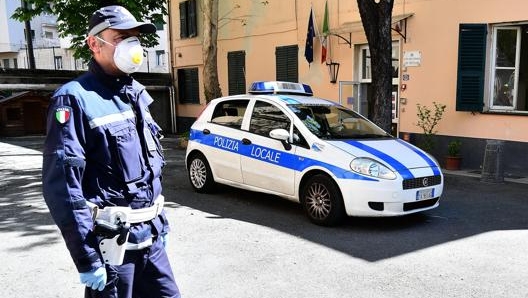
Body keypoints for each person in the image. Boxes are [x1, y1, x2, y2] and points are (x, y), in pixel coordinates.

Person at [41, 5, 181, 298]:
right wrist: (87, 257)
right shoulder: (75, 99)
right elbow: (64, 189)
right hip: (113, 251)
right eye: (120, 37)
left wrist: (160, 223)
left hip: (151, 241)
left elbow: (147, 173)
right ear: (95, 44)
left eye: (135, 38)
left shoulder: (136, 94)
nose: (132, 46)